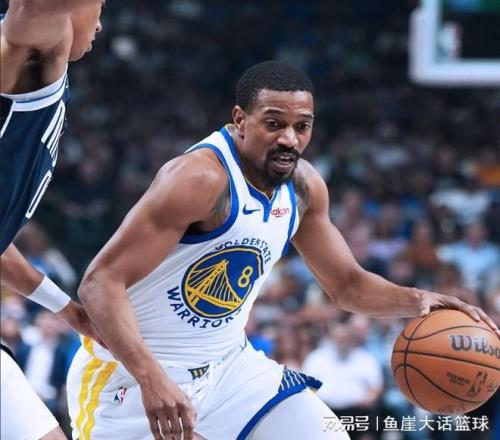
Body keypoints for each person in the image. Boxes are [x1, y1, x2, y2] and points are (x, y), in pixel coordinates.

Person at [68, 61, 500, 440]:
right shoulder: (198, 179)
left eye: (302, 126)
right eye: (274, 124)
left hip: (229, 368)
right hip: (132, 375)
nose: (290, 139)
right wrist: (150, 376)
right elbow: (99, 282)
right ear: (240, 119)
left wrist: (417, 300)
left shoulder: (304, 187)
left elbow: (348, 285)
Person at [0, 1, 105, 439]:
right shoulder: (32, 48)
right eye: (98, 5)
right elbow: (27, 16)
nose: (99, 23)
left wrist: (68, 310)